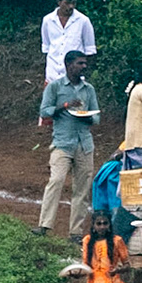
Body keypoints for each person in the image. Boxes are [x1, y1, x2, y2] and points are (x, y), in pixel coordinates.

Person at [37, 50, 99, 237]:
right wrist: (64, 106)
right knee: (56, 181)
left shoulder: (88, 89)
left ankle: (76, 233)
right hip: (62, 142)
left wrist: (88, 117)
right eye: (80, 63)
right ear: (68, 65)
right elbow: (45, 111)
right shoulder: (55, 87)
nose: (84, 66)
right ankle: (44, 225)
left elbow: (96, 116)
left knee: (82, 188)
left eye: (84, 63)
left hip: (84, 143)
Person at [41, 0, 96, 87]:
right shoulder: (48, 20)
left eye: (73, 3)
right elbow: (47, 48)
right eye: (67, 3)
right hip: (52, 76)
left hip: (74, 79)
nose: (70, 6)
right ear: (59, 2)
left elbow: (90, 51)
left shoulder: (83, 21)